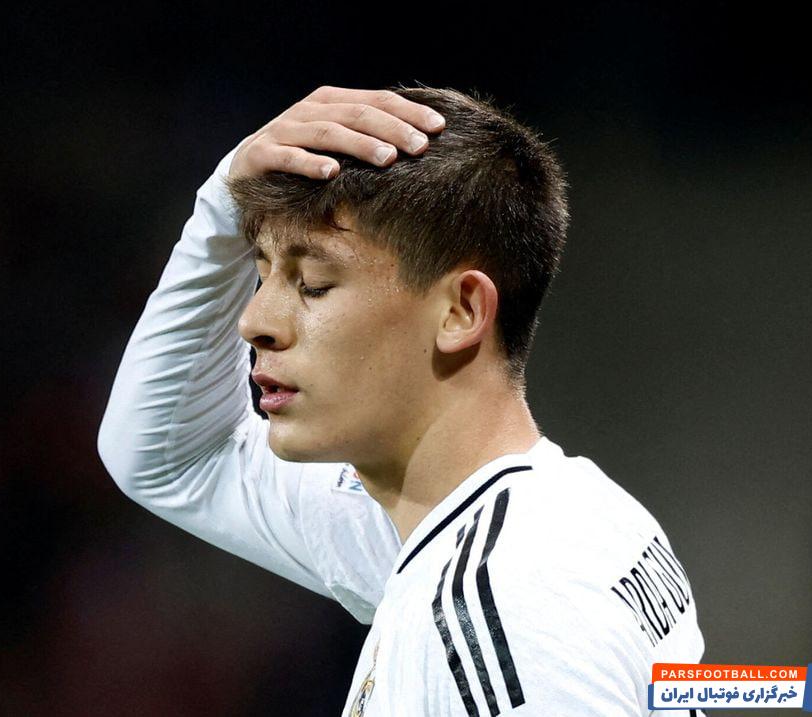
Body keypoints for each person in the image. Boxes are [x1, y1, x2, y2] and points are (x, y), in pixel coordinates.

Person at [97, 83, 706, 716]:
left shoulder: (509, 602)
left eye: (313, 284)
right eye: (260, 274)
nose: (253, 321)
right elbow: (171, 457)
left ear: (460, 311)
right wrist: (225, 199)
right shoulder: (549, 517)